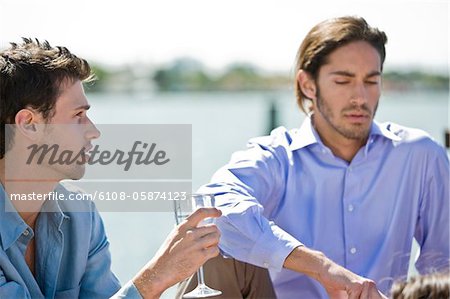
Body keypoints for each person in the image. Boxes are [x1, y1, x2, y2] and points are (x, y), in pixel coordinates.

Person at [177, 16, 449, 298]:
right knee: (217, 250)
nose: (360, 97)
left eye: (371, 81)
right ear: (308, 85)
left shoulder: (420, 156)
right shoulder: (277, 157)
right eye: (343, 81)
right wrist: (320, 267)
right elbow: (217, 208)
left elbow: (445, 266)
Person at [0, 38, 221, 298]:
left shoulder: (81, 214)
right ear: (28, 124)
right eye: (78, 116)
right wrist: (157, 277)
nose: (93, 131)